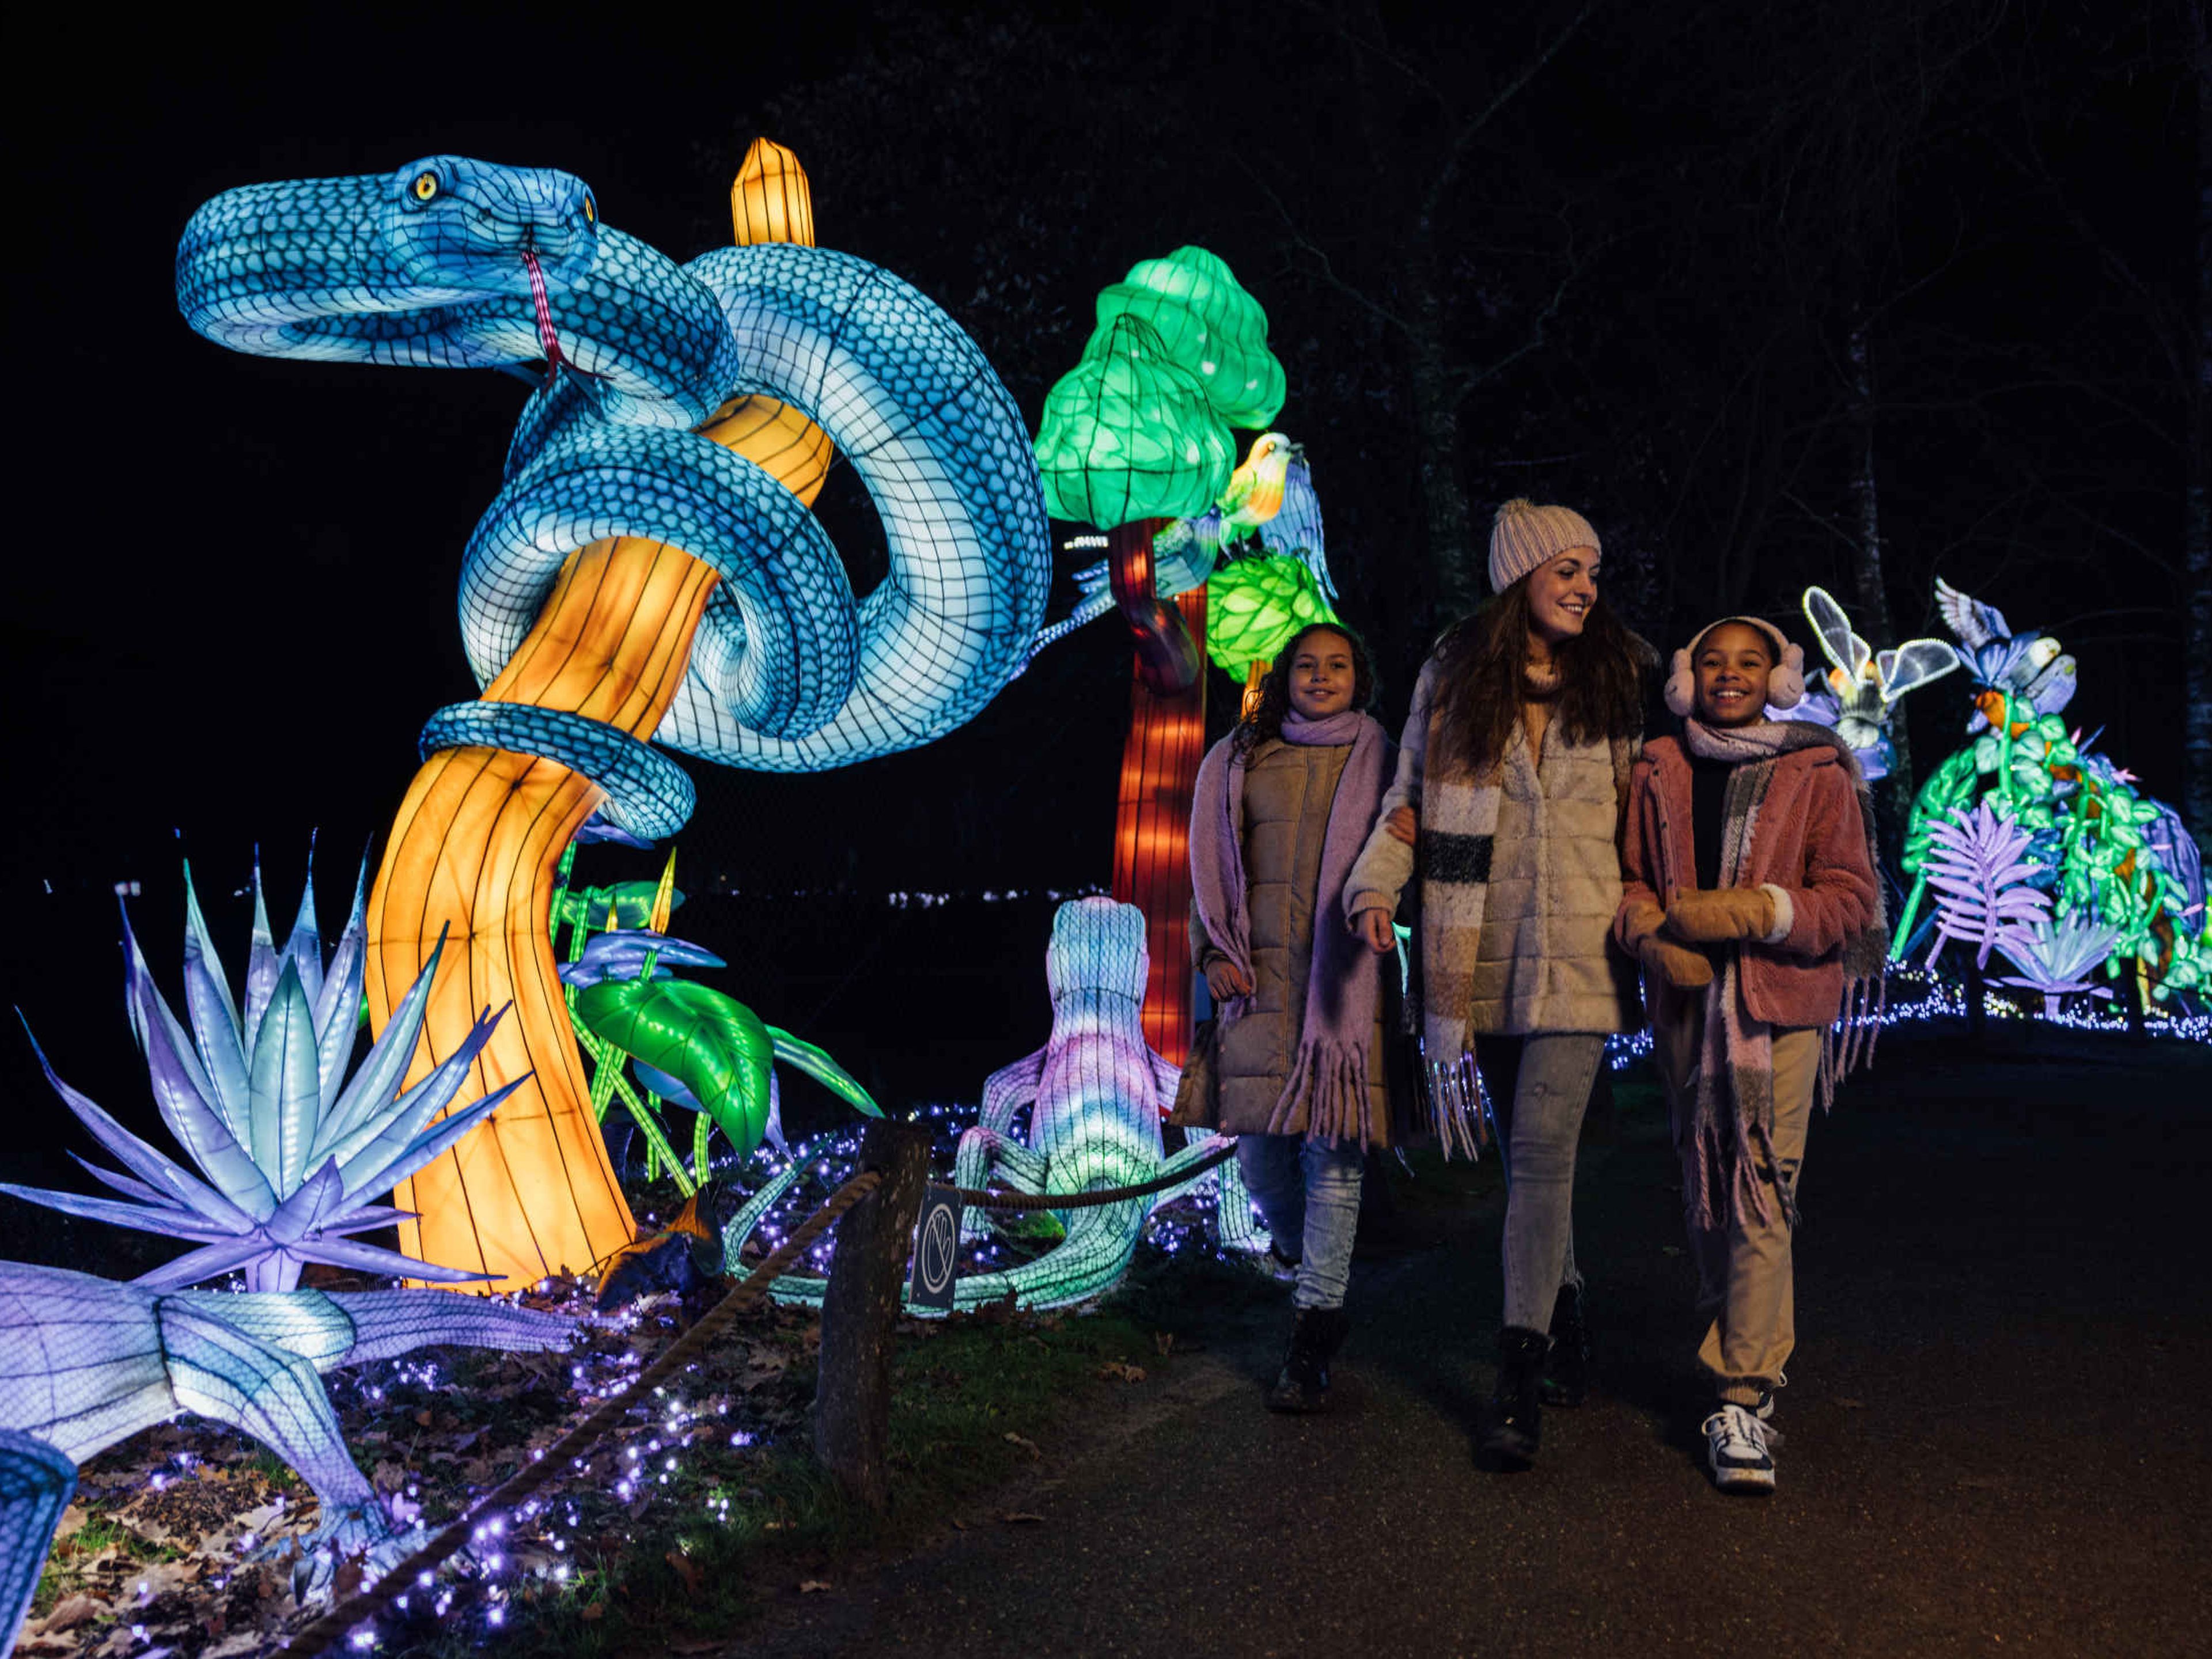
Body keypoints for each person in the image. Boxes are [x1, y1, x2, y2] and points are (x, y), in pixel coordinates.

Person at [1344, 498, 1649, 1467]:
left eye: (1593, 573)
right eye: (1567, 570)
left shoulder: (1618, 677)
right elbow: (1411, 803)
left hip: (1585, 956)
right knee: (1527, 1165)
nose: (1586, 588)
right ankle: (1570, 1315)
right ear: (1520, 574)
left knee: (1544, 1154)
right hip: (1478, 952)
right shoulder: (1455, 672)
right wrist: (1374, 889)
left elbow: (1654, 806)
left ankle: (1515, 1380)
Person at [1615, 616, 1883, 1493]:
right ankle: (1735, 1328)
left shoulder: (1817, 768)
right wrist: (1651, 934)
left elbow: (1849, 900)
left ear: (1778, 677)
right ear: (1689, 677)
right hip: (1689, 1003)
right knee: (1703, 1191)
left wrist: (1761, 911)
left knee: (1760, 1185)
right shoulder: (1659, 764)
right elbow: (1630, 881)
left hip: (1780, 1007)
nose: (1731, 675)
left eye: (1750, 662)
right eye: (1713, 662)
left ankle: (1742, 1395)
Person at [1174, 621, 1399, 1414]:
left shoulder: (1382, 760)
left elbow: (1405, 851)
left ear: (1359, 677)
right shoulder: (1240, 760)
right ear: (1284, 676)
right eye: (1308, 664)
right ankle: (1315, 1272)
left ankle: (1312, 1330)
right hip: (1259, 981)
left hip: (1347, 986)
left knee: (1334, 1161)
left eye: (1339, 664)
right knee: (1262, 1161)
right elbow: (1210, 875)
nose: (1322, 676)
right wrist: (1210, 957)